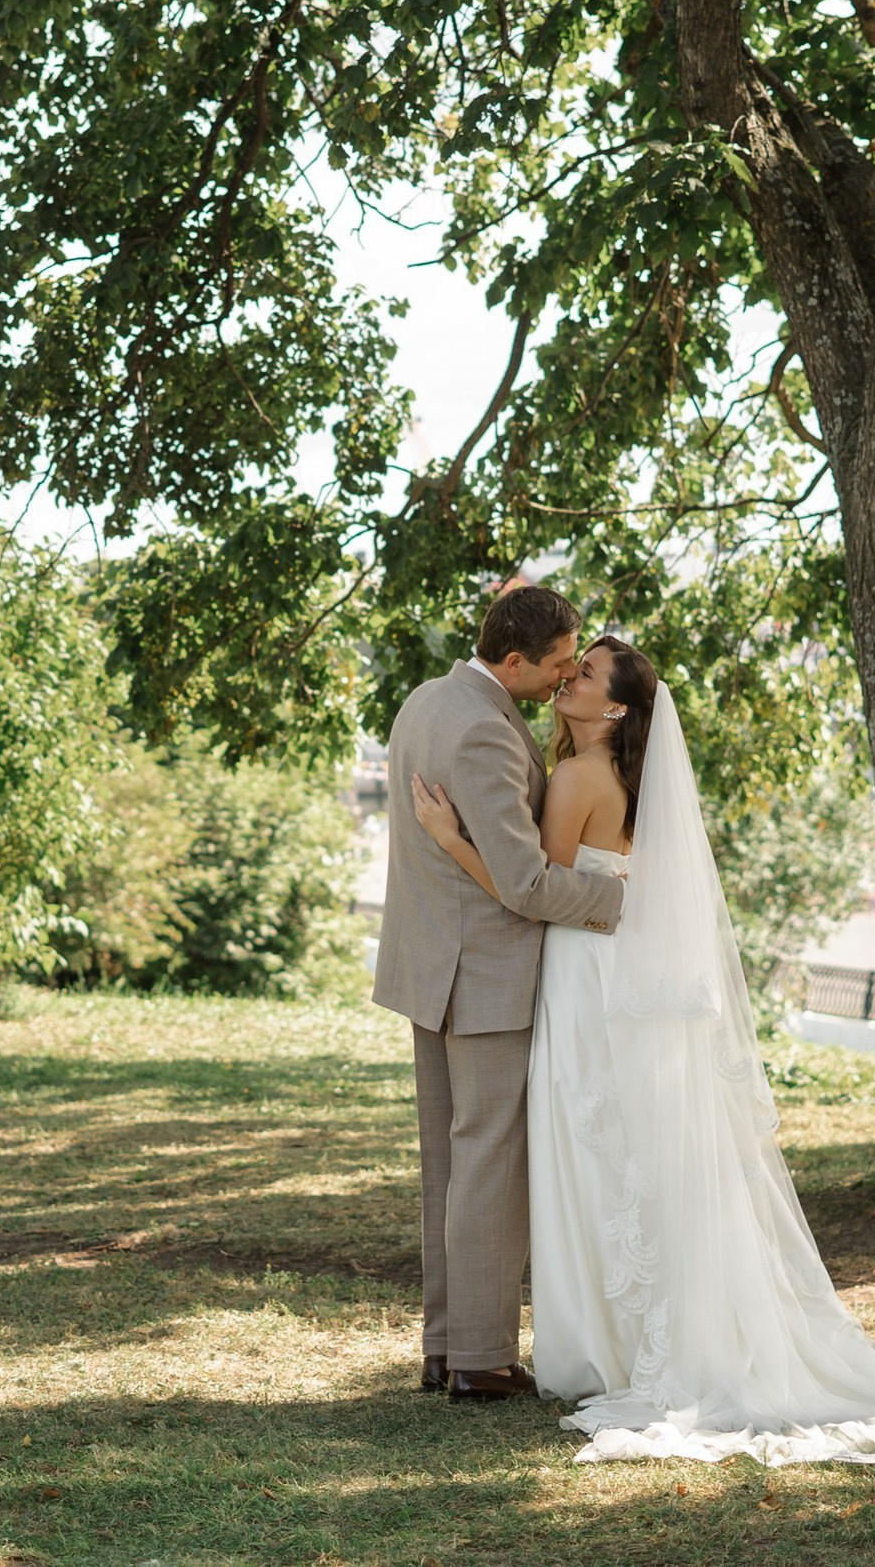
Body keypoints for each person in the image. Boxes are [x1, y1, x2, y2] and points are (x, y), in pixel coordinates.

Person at [412, 636, 875, 1466]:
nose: (569, 678)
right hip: (615, 971)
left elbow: (531, 891)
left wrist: (449, 837)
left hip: (581, 975)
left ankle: (604, 1343)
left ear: (615, 707)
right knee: (624, 1155)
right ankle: (633, 1331)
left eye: (585, 673)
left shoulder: (577, 776)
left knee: (589, 1152)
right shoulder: (627, 778)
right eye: (570, 666)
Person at [370, 586, 625, 1403]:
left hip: (434, 966)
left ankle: (446, 1345)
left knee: (451, 1164)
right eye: (557, 664)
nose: (563, 679)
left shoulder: (427, 698)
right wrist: (616, 897)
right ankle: (480, 1360)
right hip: (482, 975)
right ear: (514, 660)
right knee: (488, 1166)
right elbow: (524, 882)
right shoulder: (484, 728)